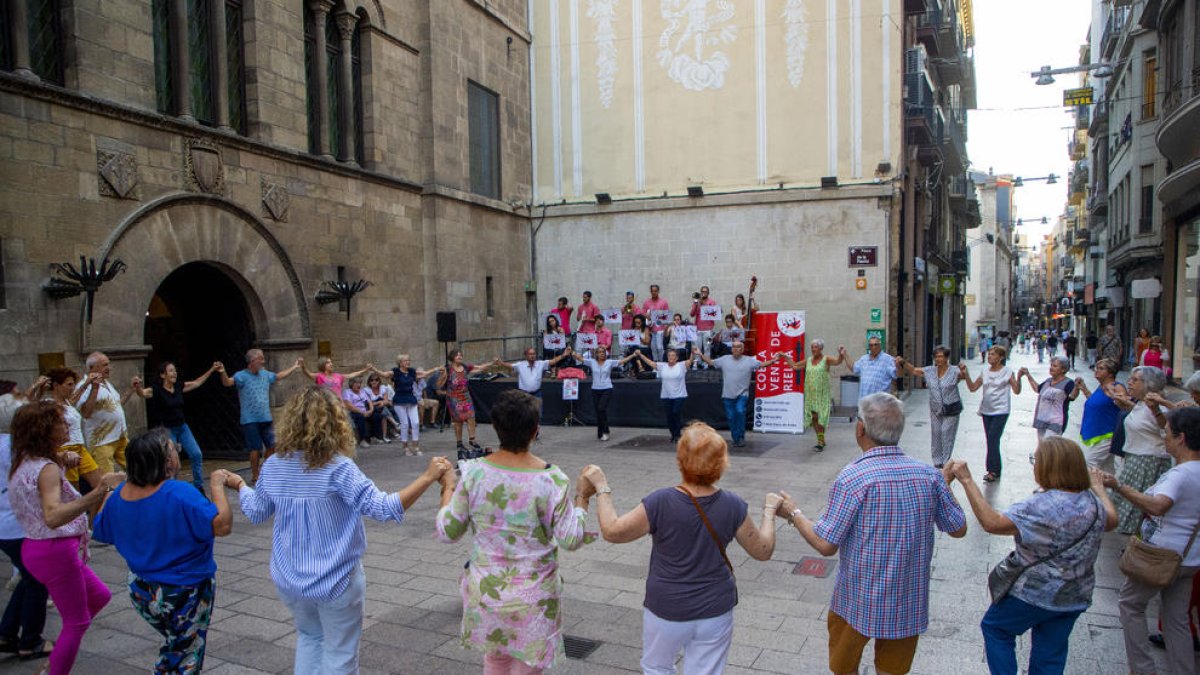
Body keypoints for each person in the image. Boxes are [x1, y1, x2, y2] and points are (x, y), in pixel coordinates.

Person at [237, 386, 452, 673]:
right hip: (336, 580)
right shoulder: (338, 468)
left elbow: (255, 510)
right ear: (335, 423)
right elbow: (385, 508)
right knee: (340, 654)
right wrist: (427, 477)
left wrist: (240, 486)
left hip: (290, 578)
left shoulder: (274, 465)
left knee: (310, 638)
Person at [774, 392, 967, 675]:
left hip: (856, 601)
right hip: (907, 603)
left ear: (860, 428)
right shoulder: (929, 476)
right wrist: (945, 485)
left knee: (844, 668)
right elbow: (958, 528)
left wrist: (793, 513)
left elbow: (825, 544)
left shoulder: (854, 478)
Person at [578, 423, 779, 674]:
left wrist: (601, 487)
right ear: (721, 464)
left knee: (657, 667)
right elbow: (762, 550)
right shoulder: (733, 505)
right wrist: (770, 511)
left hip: (666, 608)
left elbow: (613, 531)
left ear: (680, 459)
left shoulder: (661, 501)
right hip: (715, 609)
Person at [435, 389, 590, 673]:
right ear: (535, 430)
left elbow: (448, 531)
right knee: (528, 665)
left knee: (495, 659)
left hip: (487, 591)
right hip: (535, 596)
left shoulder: (474, 474)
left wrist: (447, 488)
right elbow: (571, 538)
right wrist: (583, 499)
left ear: (496, 428)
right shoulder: (552, 479)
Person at [945, 437, 1117, 675]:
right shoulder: (1093, 504)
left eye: (1036, 460)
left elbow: (992, 523)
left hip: (1034, 593)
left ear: (1049, 467)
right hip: (1074, 595)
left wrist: (966, 480)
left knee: (996, 628)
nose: (1034, 465)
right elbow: (1112, 519)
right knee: (1050, 655)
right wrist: (1098, 488)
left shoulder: (1040, 505)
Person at [92, 430, 238, 673]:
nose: (177, 452)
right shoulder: (179, 493)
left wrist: (110, 490)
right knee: (186, 651)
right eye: (174, 449)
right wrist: (217, 486)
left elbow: (100, 529)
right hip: (182, 589)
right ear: (167, 461)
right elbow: (222, 525)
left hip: (142, 589)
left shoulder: (119, 497)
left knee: (176, 643)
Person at [8, 401, 124, 674]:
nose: (67, 425)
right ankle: (53, 669)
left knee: (99, 596)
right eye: (60, 422)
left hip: (38, 548)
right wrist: (98, 492)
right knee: (77, 622)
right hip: (54, 550)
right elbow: (53, 515)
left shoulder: (26, 461)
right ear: (44, 429)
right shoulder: (46, 469)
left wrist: (61, 458)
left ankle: (58, 654)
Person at [1103, 406, 1200, 675]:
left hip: (1161, 556)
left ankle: (1142, 669)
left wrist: (1119, 486)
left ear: (1182, 438)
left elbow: (1158, 505)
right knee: (1176, 618)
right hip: (1189, 556)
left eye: (1167, 433)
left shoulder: (1181, 474)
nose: (1164, 437)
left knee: (1130, 604)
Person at [0, 394, 51, 662]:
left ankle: (7, 633)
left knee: (30, 578)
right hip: (18, 525)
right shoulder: (15, 448)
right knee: (38, 580)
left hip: (5, 527)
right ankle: (30, 641)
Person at [131, 361, 222, 495]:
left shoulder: (179, 386)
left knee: (196, 454)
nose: (174, 373)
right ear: (163, 375)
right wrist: (137, 387)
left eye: (175, 370)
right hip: (167, 429)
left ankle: (199, 486)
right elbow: (142, 394)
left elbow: (196, 383)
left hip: (182, 427)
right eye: (171, 371)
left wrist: (211, 370)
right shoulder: (156, 390)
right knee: (173, 460)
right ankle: (173, 487)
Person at [219, 349, 302, 485]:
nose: (263, 361)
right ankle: (255, 474)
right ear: (252, 361)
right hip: (250, 419)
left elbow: (278, 376)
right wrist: (222, 371)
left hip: (266, 417)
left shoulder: (265, 374)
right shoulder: (241, 376)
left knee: (272, 445)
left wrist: (294, 367)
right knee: (255, 449)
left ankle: (264, 469)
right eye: (261, 359)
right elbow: (227, 382)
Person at [1108, 366, 1172, 534]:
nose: (1129, 382)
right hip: (1135, 460)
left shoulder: (1157, 408)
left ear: (1149, 384)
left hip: (1147, 462)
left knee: (1135, 511)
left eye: (1135, 380)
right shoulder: (1142, 404)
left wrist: (1157, 410)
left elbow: (1166, 429)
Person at [695, 341, 780, 448]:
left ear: (742, 349)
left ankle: (741, 437)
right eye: (734, 347)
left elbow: (762, 364)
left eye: (739, 347)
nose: (736, 349)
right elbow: (711, 362)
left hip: (742, 394)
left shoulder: (749, 361)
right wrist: (701, 355)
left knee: (740, 411)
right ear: (732, 349)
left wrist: (773, 360)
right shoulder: (724, 359)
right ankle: (736, 438)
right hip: (727, 395)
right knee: (731, 417)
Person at [896, 346, 969, 468]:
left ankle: (946, 462)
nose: (938, 359)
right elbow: (914, 370)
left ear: (946, 358)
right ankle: (937, 462)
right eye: (936, 357)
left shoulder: (954, 371)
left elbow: (963, 376)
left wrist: (964, 371)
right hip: (935, 409)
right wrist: (903, 362)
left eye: (941, 356)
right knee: (936, 434)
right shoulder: (930, 371)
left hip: (951, 408)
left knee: (946, 434)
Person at [32, 368, 103, 492]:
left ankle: (97, 511)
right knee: (72, 490)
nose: (72, 387)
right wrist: (38, 387)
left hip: (80, 448)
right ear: (56, 386)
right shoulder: (48, 404)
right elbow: (29, 404)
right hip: (65, 450)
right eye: (69, 385)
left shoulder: (67, 403)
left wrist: (88, 384)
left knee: (100, 483)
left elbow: (76, 395)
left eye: (73, 384)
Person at [963, 345, 1021, 482]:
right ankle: (995, 469)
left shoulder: (1007, 371)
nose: (990, 356)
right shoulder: (984, 371)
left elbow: (1017, 390)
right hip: (986, 410)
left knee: (993, 439)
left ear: (1001, 357)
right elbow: (972, 388)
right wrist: (966, 374)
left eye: (993, 354)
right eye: (989, 354)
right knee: (991, 440)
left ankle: (992, 470)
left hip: (1001, 410)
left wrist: (1020, 377)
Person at [76, 351, 133, 474]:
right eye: (105, 365)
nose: (109, 368)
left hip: (120, 436)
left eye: (109, 364)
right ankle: (109, 494)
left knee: (136, 469)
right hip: (101, 442)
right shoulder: (83, 386)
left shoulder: (107, 383)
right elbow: (86, 413)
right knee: (107, 480)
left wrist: (131, 390)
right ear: (92, 368)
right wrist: (94, 389)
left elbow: (115, 406)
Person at [782, 339, 845, 452]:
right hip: (811, 394)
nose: (813, 349)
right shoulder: (809, 360)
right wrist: (785, 356)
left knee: (821, 418)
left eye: (815, 347)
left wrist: (841, 354)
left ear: (820, 348)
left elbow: (837, 361)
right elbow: (795, 366)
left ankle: (821, 440)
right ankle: (820, 440)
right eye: (812, 347)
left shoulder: (826, 359)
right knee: (814, 418)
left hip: (822, 394)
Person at [376, 355, 444, 457]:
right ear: (400, 362)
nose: (408, 362)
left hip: (411, 399)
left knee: (416, 423)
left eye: (409, 360)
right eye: (405, 360)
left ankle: (416, 447)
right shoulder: (395, 371)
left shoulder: (412, 371)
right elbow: (384, 374)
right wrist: (373, 369)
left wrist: (436, 369)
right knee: (405, 424)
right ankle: (405, 448)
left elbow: (424, 374)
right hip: (399, 400)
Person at [1072, 358, 1127, 471]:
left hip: (1109, 434)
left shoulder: (1117, 386)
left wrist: (1113, 395)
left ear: (1110, 372)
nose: (1096, 371)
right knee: (1106, 468)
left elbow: (1125, 406)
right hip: (1099, 433)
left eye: (1101, 369)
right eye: (1096, 368)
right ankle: (1110, 488)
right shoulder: (1101, 387)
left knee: (1089, 463)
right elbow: (1095, 403)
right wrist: (1084, 389)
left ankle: (1095, 488)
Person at [633, 348, 695, 443]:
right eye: (669, 355)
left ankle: (677, 434)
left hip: (680, 395)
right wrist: (640, 355)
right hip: (666, 396)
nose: (671, 357)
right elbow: (650, 362)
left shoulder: (681, 365)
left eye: (673, 356)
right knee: (669, 416)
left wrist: (693, 352)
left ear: (677, 358)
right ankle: (673, 434)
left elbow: (690, 361)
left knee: (675, 412)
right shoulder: (663, 366)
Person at [581, 346, 640, 441]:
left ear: (605, 353)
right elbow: (580, 359)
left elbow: (622, 361)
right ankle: (600, 432)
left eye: (603, 352)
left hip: (607, 388)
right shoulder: (592, 362)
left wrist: (633, 355)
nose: (601, 353)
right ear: (596, 354)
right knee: (599, 412)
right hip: (595, 389)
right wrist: (572, 353)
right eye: (599, 352)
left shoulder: (609, 362)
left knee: (601, 408)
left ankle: (606, 431)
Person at [438, 350, 489, 458]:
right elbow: (438, 385)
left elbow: (479, 368)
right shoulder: (448, 369)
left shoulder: (465, 367)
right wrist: (443, 377)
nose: (460, 356)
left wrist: (492, 364)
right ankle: (459, 442)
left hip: (466, 397)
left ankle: (472, 440)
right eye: (457, 355)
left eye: (461, 355)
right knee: (458, 421)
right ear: (452, 357)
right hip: (454, 399)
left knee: (471, 417)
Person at [1019, 357, 1079, 440]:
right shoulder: (1048, 381)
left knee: (1050, 445)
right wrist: (1028, 375)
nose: (1051, 368)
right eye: (1051, 365)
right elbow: (1038, 389)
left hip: (1056, 421)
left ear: (1063, 369)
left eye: (1055, 366)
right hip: (1042, 419)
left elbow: (1072, 396)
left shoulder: (1068, 383)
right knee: (1042, 447)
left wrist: (1077, 387)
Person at [341, 377, 385, 448]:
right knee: (360, 418)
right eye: (357, 383)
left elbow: (369, 402)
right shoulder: (347, 392)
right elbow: (349, 405)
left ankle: (376, 436)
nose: (359, 385)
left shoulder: (362, 391)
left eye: (360, 383)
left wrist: (371, 410)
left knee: (377, 416)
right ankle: (363, 440)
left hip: (366, 411)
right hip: (355, 412)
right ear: (352, 384)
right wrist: (362, 412)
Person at [301, 357, 373, 395]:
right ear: (322, 365)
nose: (331, 364)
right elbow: (308, 374)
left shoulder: (338, 376)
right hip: (325, 404)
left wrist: (365, 369)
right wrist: (303, 366)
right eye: (328, 362)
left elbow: (351, 375)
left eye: (331, 362)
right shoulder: (319, 376)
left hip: (338, 404)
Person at [642, 284, 670, 362]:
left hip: (660, 329)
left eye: (655, 291)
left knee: (660, 347)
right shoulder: (646, 302)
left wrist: (665, 328)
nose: (654, 292)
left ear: (658, 291)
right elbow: (643, 313)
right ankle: (655, 364)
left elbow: (667, 315)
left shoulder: (663, 302)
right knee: (653, 347)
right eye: (652, 291)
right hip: (651, 329)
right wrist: (646, 315)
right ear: (650, 292)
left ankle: (662, 363)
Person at [689, 285, 718, 360]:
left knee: (707, 348)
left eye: (705, 292)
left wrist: (703, 304)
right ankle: (698, 363)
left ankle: (706, 363)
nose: (703, 293)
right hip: (698, 329)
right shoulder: (696, 302)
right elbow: (692, 314)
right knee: (697, 347)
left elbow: (716, 314)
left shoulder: (712, 302)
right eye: (702, 291)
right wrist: (696, 304)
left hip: (708, 329)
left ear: (708, 293)